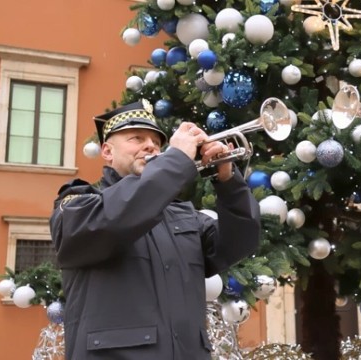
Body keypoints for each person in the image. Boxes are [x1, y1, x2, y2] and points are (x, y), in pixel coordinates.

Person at [49, 99, 261, 360]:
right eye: (136, 138)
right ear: (107, 151)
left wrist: (228, 181)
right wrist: (175, 160)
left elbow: (241, 241)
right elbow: (117, 215)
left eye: (157, 142)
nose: (150, 146)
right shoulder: (79, 202)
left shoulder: (182, 213)